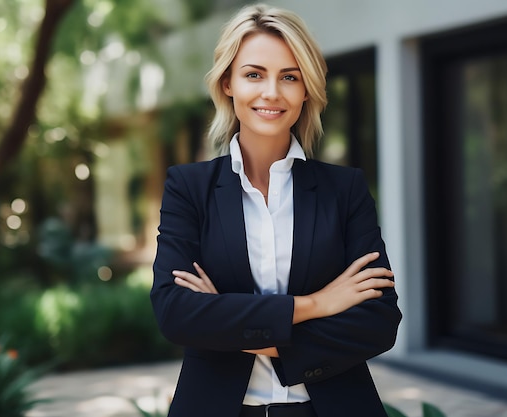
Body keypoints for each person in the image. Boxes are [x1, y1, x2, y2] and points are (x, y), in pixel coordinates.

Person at [151, 3, 402, 416]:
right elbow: (176, 314)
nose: (272, 92)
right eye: (254, 74)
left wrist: (226, 320)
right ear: (228, 82)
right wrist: (318, 305)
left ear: (307, 90)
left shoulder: (345, 190)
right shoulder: (188, 188)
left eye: (289, 77)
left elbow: (377, 322)